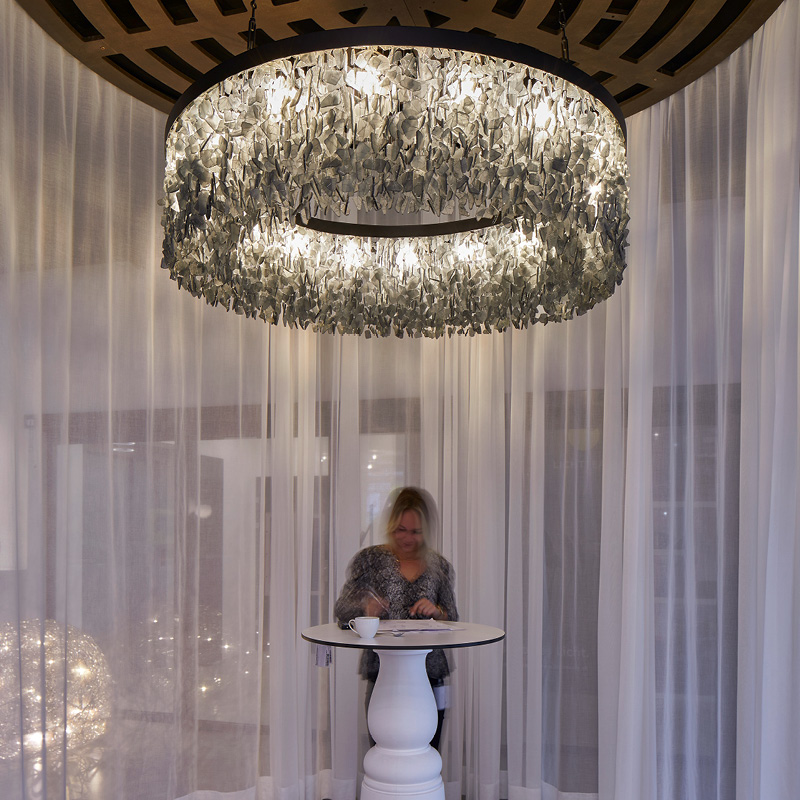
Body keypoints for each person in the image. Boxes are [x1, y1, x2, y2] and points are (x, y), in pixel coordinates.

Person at [334, 487, 458, 751]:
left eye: (416, 532)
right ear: (390, 526)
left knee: (427, 751)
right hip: (383, 672)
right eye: (401, 529)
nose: (408, 538)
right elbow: (342, 611)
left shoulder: (440, 566)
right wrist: (365, 608)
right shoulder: (370, 560)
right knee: (383, 751)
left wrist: (437, 611)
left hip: (431, 674)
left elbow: (454, 619)